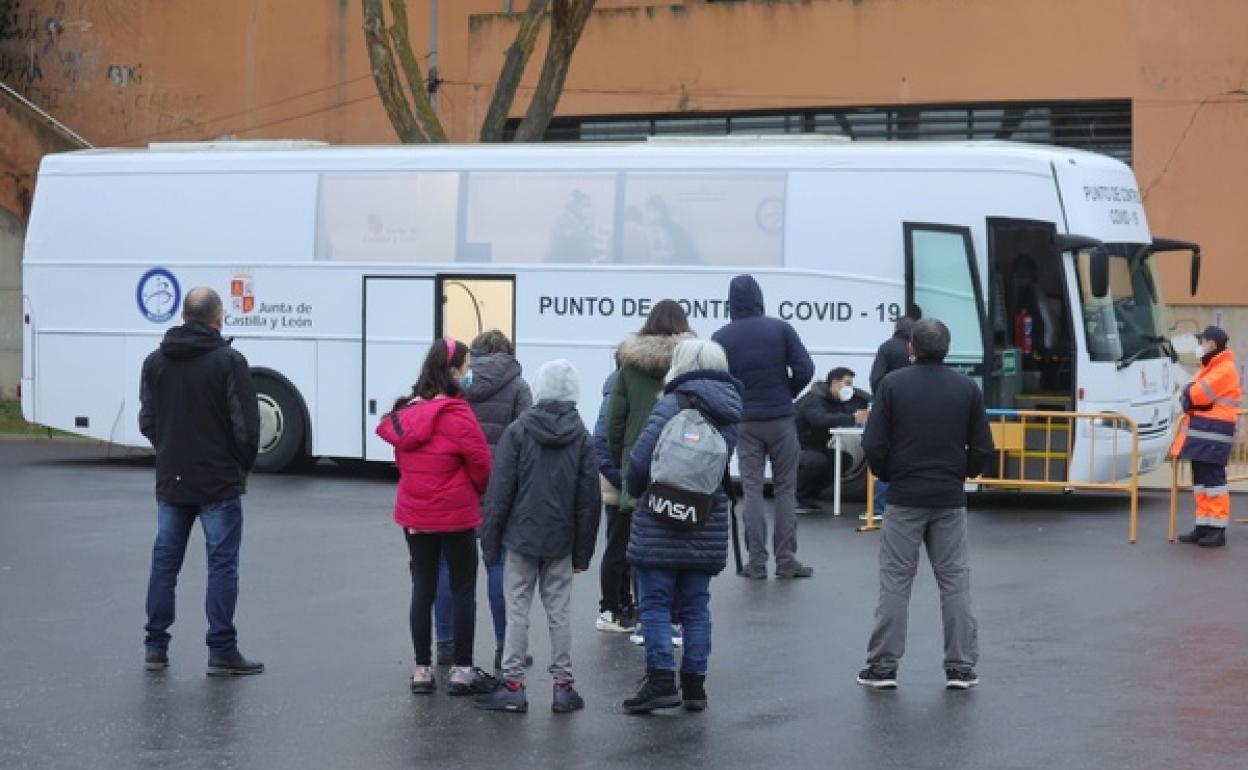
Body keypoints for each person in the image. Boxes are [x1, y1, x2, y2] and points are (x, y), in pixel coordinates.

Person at [857, 319, 994, 691]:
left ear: (910, 348)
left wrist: (889, 474)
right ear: (947, 349)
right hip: (948, 496)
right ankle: (961, 667)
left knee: (896, 581)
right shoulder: (966, 388)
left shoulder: (893, 385)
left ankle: (883, 667)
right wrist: (961, 474)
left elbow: (873, 444)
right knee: (954, 580)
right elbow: (982, 447)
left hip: (904, 495)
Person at [139, 287, 263, 676]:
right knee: (221, 565)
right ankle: (222, 650)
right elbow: (246, 426)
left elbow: (148, 421)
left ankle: (155, 646)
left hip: (172, 479)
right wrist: (239, 467)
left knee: (165, 563)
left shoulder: (155, 362)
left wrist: (169, 451)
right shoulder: (229, 361)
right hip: (218, 481)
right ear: (217, 318)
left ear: (182, 315)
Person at [621, 339, 743, 714]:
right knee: (696, 605)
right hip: (704, 518)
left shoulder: (671, 404)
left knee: (655, 603)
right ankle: (694, 686)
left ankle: (660, 681)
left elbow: (640, 463)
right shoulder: (730, 411)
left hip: (661, 516)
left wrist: (639, 490)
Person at [475, 360, 601, 714]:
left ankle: (513, 685)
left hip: (521, 536)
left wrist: (491, 538)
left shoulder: (520, 430)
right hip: (560, 540)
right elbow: (588, 500)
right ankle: (563, 687)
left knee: (518, 610)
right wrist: (582, 553)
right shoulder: (581, 435)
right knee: (559, 613)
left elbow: (501, 491)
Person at [376, 337, 497, 696]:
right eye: (466, 368)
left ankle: (421, 670)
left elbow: (403, 461)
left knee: (422, 588)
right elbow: (481, 465)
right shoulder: (458, 413)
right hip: (456, 514)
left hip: (415, 513)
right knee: (462, 588)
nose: (469, 374)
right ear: (453, 371)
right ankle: (461, 670)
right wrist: (474, 489)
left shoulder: (407, 412)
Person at [432, 329, 533, 671]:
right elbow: (526, 440)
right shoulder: (518, 387)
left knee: (447, 566)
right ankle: (505, 647)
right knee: (498, 566)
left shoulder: (456, 382)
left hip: (456, 483)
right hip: (500, 487)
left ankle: (445, 645)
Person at [712, 275, 815, 579]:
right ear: (759, 298)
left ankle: (756, 563)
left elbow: (716, 380)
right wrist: (788, 392)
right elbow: (804, 369)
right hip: (781, 418)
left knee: (752, 489)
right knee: (785, 489)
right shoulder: (780, 329)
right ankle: (786, 560)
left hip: (744, 422)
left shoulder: (722, 336)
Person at [608, 300, 695, 643]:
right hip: (682, 461)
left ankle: (647, 621)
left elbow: (615, 419)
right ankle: (676, 620)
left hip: (638, 463)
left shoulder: (629, 366)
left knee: (640, 546)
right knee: (678, 540)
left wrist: (622, 461)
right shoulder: (692, 362)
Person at [1173, 326, 1242, 548]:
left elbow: (1195, 394)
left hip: (1213, 433)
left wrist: (1188, 394)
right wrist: (1188, 394)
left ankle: (1217, 530)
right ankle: (1203, 527)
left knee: (1214, 483)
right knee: (1201, 483)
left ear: (1211, 343)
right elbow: (1190, 393)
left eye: (1202, 341)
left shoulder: (1224, 369)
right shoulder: (1211, 366)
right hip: (1204, 432)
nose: (1199, 346)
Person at [794, 367, 870, 512]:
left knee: (843, 460)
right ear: (835, 382)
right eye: (847, 384)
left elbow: (841, 415)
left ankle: (810, 496)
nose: (850, 388)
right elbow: (820, 420)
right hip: (797, 447)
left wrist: (860, 416)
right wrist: (852, 418)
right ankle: (799, 497)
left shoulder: (833, 401)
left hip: (815, 446)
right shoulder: (813, 399)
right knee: (817, 461)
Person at [594, 367, 634, 633]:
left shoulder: (614, 390)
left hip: (619, 479)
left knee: (622, 545)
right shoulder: (617, 396)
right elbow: (601, 443)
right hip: (620, 481)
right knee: (619, 546)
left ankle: (622, 602)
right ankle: (610, 607)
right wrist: (624, 481)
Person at [868, 310, 921, 513]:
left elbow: (876, 378)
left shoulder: (887, 347)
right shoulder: (918, 349)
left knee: (890, 452)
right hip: (916, 409)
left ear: (896, 329)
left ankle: (882, 507)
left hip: (892, 408)